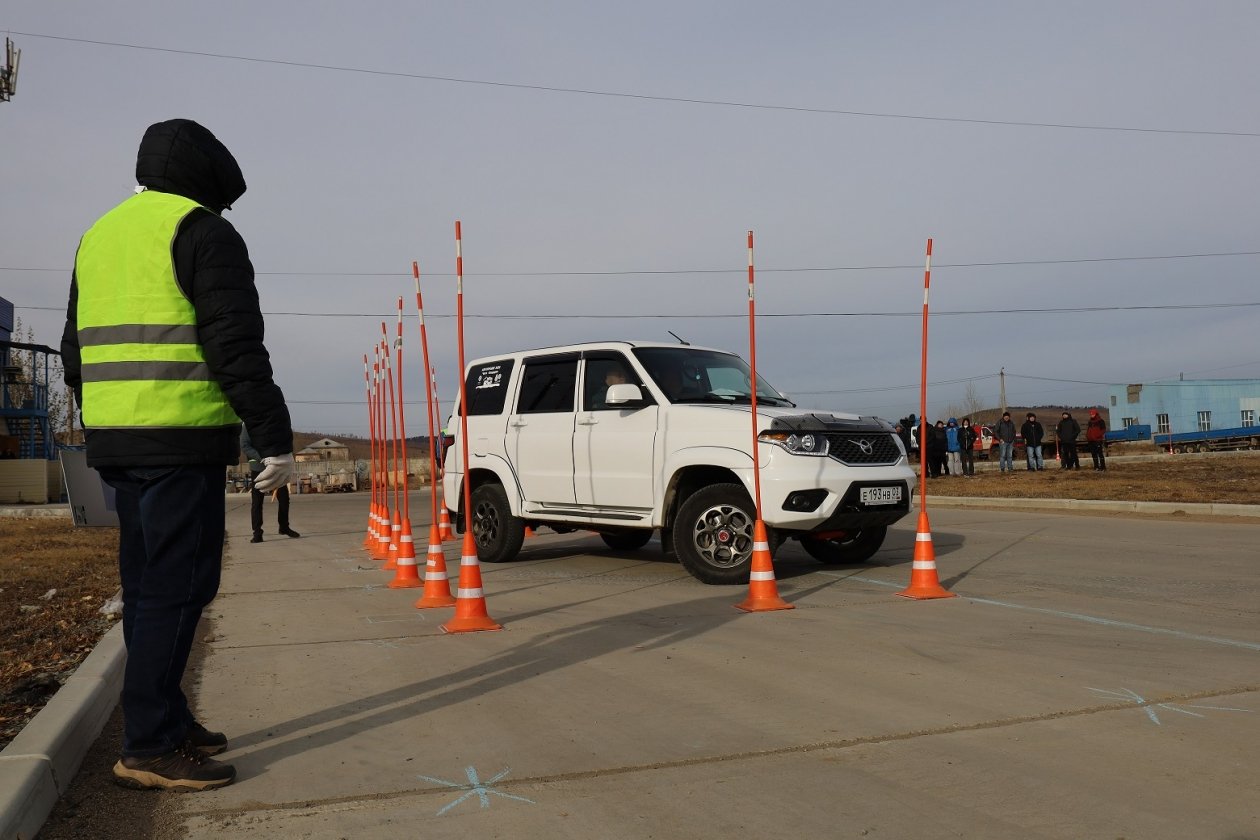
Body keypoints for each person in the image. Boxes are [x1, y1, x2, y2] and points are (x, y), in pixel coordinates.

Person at [61, 119, 294, 792]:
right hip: (178, 439)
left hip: (115, 440)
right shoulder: (203, 233)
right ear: (206, 180)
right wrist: (271, 436)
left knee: (146, 585)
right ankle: (150, 745)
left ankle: (165, 715)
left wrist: (102, 415)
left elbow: (73, 349)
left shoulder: (98, 234)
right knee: (181, 585)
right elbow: (234, 345)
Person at [242, 426, 300, 541]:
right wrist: (262, 457)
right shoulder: (248, 424)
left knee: (284, 499)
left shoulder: (272, 421)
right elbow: (245, 445)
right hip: (258, 467)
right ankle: (257, 533)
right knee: (257, 501)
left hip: (276, 466)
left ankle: (284, 527)